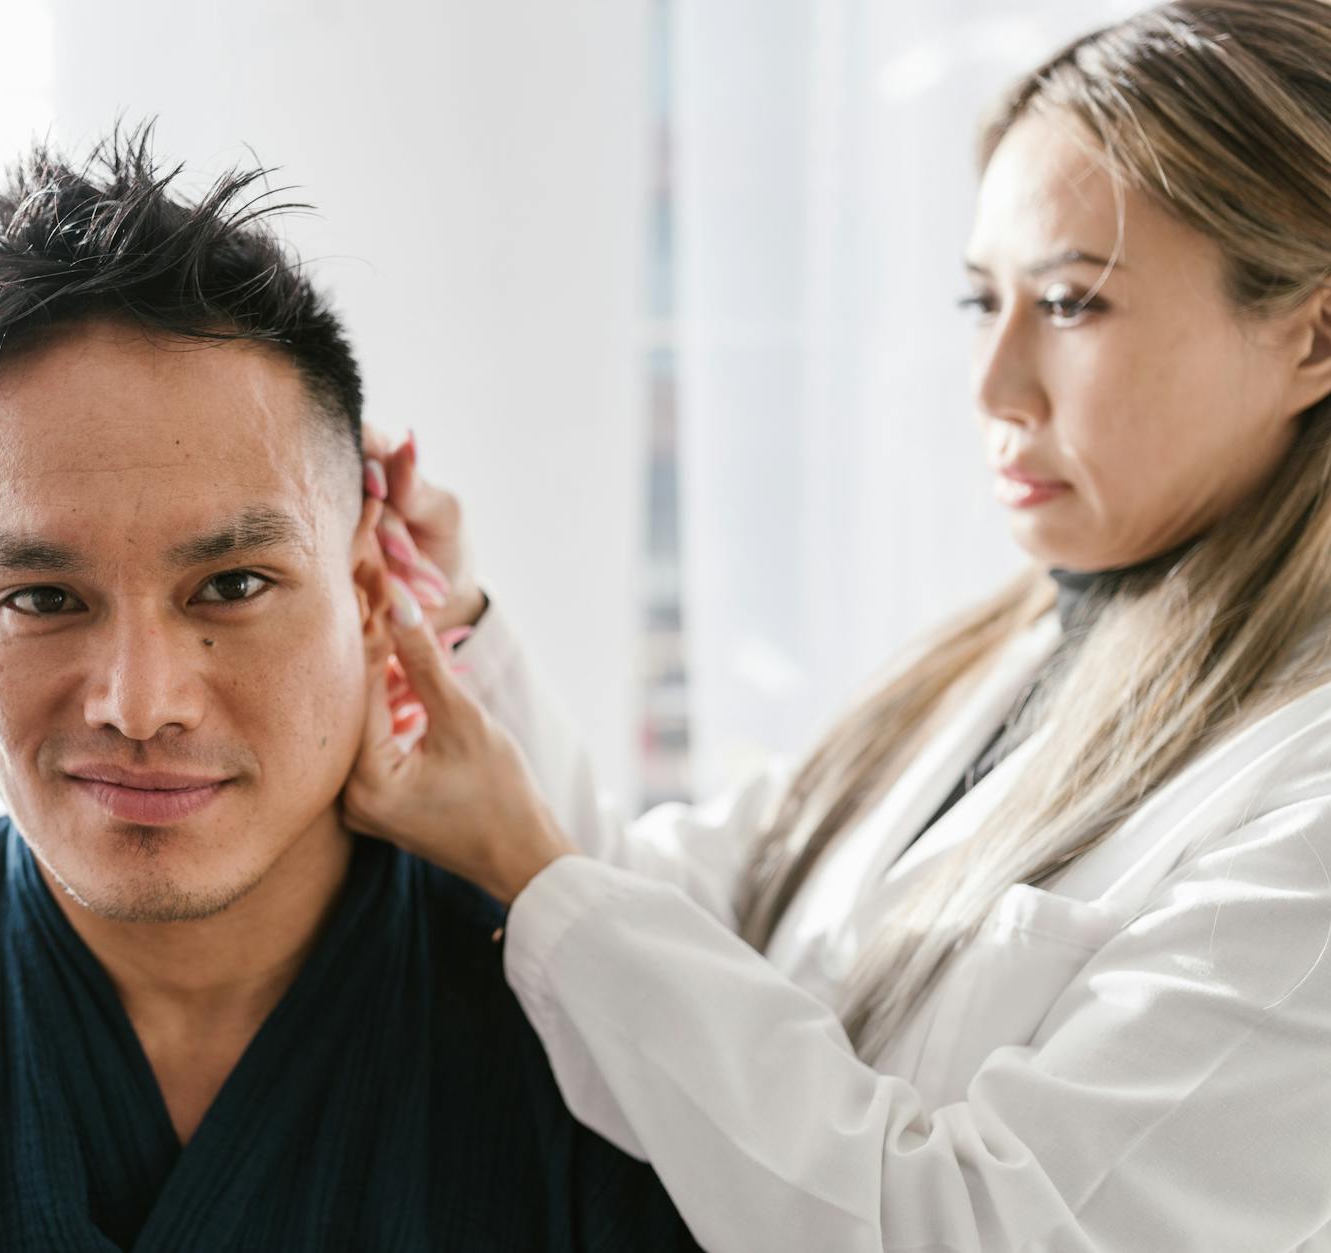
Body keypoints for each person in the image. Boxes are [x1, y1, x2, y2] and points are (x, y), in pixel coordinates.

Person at [0, 131, 699, 1251]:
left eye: (232, 583)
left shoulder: (590, 1068)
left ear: (368, 583)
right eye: (44, 598)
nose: (140, 703)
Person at [346, 3, 1331, 1250]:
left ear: (1312, 335)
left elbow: (967, 1226)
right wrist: (455, 627)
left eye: (1073, 304)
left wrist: (532, 871)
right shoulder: (1011, 653)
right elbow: (669, 932)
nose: (992, 383)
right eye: (982, 302)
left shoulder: (1307, 814)